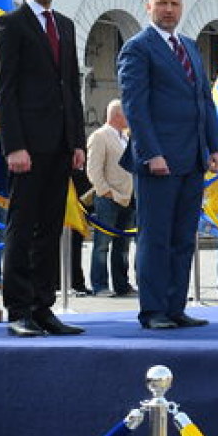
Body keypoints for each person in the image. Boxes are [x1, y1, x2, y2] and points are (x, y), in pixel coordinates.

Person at [117, 0, 218, 330]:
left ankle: (176, 306)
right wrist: (151, 153)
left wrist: (216, 146)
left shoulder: (190, 47)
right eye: (161, 3)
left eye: (174, 4)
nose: (168, 10)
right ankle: (153, 311)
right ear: (148, 7)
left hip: (192, 158)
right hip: (159, 162)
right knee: (156, 238)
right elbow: (135, 107)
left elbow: (204, 101)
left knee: (182, 239)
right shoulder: (138, 48)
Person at [0, 0, 86, 338]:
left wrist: (77, 141)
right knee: (22, 226)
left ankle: (44, 306)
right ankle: (18, 309)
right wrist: (14, 145)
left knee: (50, 228)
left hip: (60, 144)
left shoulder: (64, 25)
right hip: (27, 147)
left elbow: (72, 87)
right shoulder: (10, 24)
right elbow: (5, 89)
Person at [86, 100, 135, 297]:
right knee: (102, 245)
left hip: (127, 199)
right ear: (117, 115)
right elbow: (93, 170)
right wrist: (105, 191)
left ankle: (122, 285)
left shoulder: (125, 137)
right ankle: (100, 285)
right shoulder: (100, 136)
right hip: (108, 199)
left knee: (122, 246)